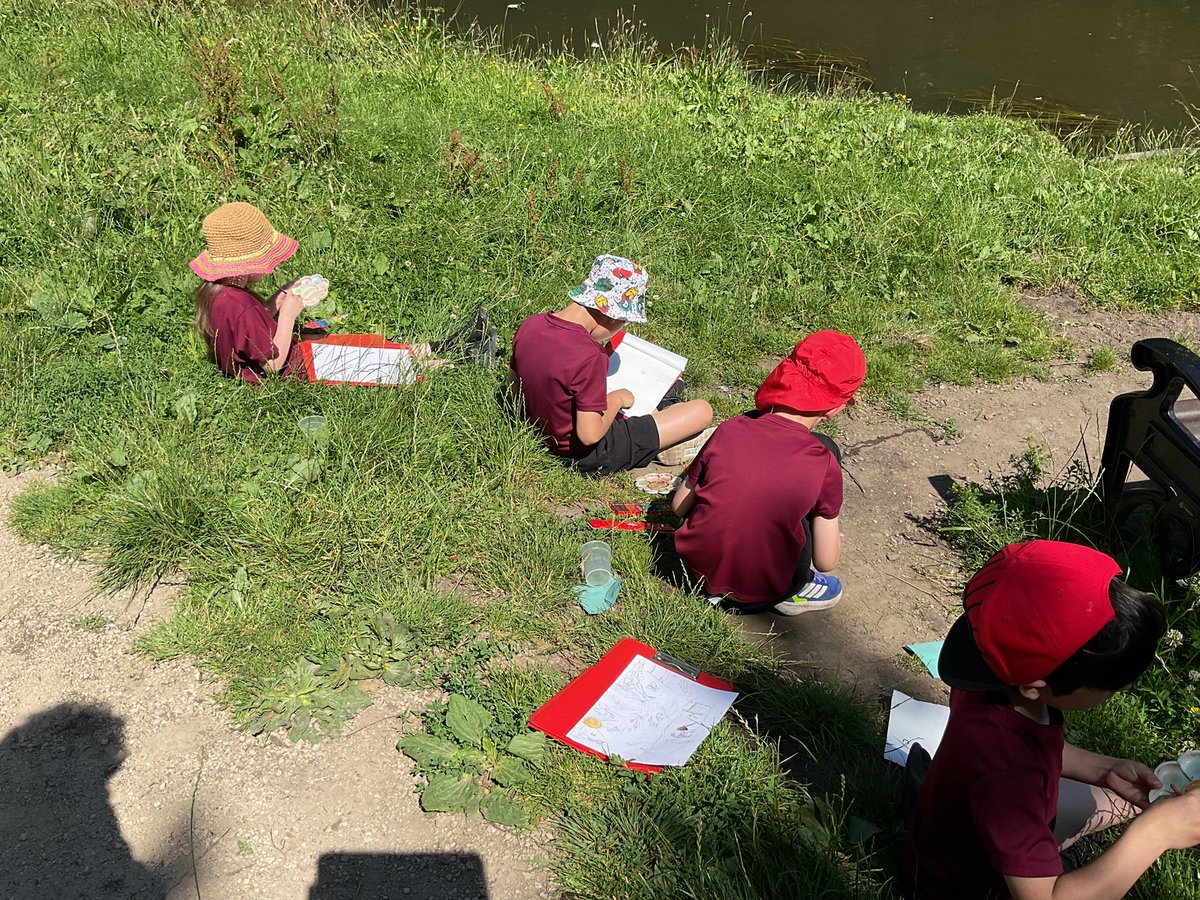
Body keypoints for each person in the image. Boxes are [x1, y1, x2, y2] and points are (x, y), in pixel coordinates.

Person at [903, 539, 1200, 900]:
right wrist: (1155, 835)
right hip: (964, 888)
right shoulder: (1010, 779)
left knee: (1114, 800)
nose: (1117, 692)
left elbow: (1035, 748)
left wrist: (1104, 770)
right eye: (1111, 686)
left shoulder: (991, 672)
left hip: (959, 831)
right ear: (1034, 687)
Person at [190, 202, 494, 384]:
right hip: (296, 372)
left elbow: (249, 334)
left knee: (366, 345)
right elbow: (271, 363)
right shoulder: (238, 304)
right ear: (245, 265)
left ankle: (450, 342)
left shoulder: (223, 295)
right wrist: (288, 316)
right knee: (379, 366)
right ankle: (466, 360)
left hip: (300, 358)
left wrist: (277, 300)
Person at [670, 330, 864, 615]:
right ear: (835, 409)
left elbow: (678, 506)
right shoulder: (823, 462)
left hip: (691, 572)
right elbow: (826, 561)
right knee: (812, 509)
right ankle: (796, 592)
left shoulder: (730, 429)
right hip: (761, 593)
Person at [508, 255, 713, 475]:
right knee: (702, 410)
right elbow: (590, 435)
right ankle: (667, 443)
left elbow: (513, 388)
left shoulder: (532, 325)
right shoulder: (589, 356)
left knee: (674, 387)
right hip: (585, 454)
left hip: (542, 431)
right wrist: (616, 399)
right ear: (614, 317)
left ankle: (660, 420)